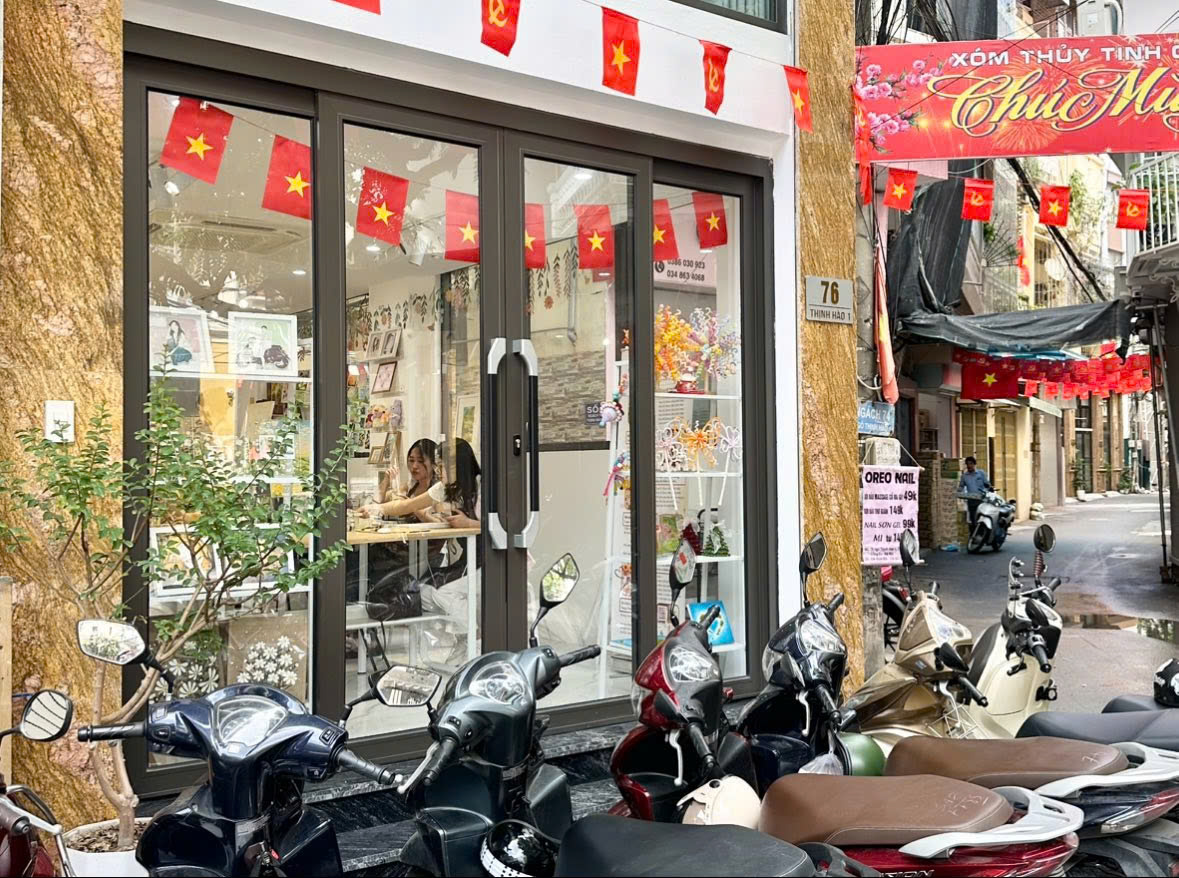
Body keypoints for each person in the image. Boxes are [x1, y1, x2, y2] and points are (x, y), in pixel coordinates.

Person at [959, 456, 992, 530]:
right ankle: (974, 534)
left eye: (971, 464)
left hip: (981, 500)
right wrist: (958, 493)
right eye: (967, 464)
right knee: (973, 519)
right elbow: (961, 487)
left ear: (974, 464)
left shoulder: (981, 473)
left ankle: (983, 532)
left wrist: (989, 488)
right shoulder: (964, 476)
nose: (969, 466)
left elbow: (987, 484)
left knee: (981, 518)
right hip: (971, 500)